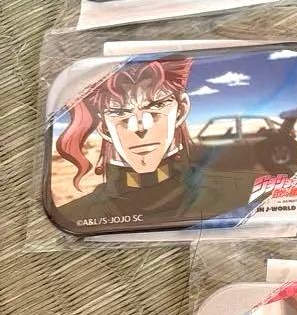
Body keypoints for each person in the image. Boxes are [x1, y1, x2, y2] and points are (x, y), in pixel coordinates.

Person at [54, 56, 253, 227]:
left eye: (156, 106)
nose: (139, 127)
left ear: (181, 110)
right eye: (119, 113)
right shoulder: (74, 215)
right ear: (104, 127)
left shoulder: (248, 191)